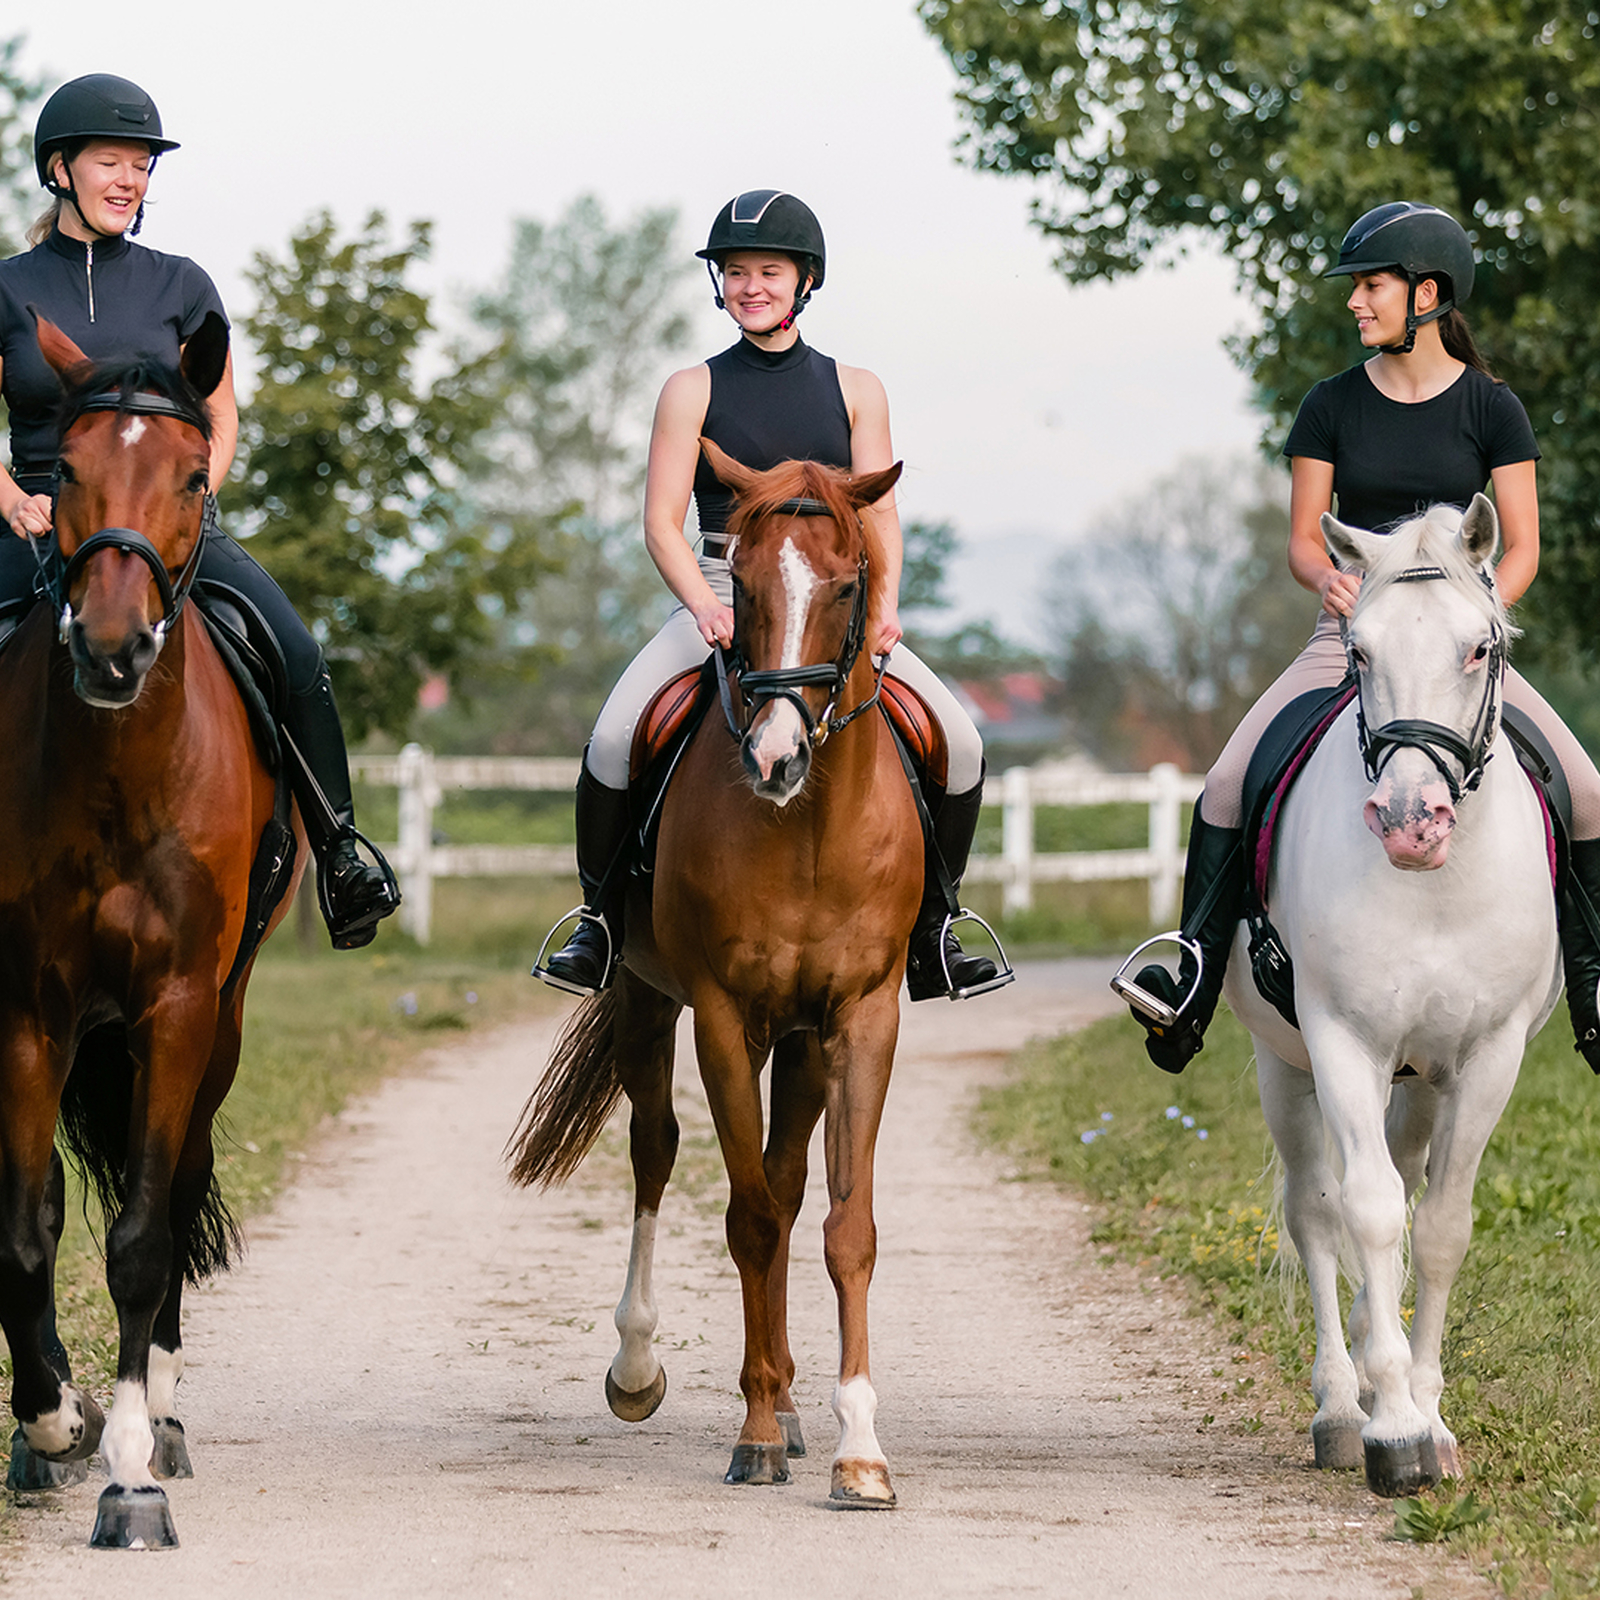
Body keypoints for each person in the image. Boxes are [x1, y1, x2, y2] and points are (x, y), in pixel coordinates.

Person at [1122, 200, 1600, 1072]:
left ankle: (1594, 984)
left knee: (1590, 790)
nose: (1355, 302)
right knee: (1226, 785)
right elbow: (1307, 537)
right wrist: (1330, 582)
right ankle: (1190, 980)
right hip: (1348, 631)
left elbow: (1521, 546)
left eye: (1370, 286)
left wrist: (1478, 615)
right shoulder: (1331, 405)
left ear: (1426, 293)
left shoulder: (1494, 409)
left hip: (1462, 643)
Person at [535, 188, 1010, 1002]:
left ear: (805, 281)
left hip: (832, 603)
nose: (750, 286)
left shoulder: (856, 388)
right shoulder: (692, 389)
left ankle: (936, 927)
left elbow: (882, 513)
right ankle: (599, 924)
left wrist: (887, 605)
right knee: (614, 738)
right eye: (735, 272)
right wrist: (705, 605)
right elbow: (660, 524)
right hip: (726, 584)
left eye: (768, 271)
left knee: (960, 742)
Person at [0, 74, 400, 949]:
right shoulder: (8, 287)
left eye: (141, 166)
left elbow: (219, 415)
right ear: (59, 169)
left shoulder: (183, 284)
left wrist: (193, 502)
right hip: (39, 515)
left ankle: (340, 852)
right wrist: (12, 496)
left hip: (167, 528)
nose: (129, 180)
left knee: (292, 645)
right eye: (111, 161)